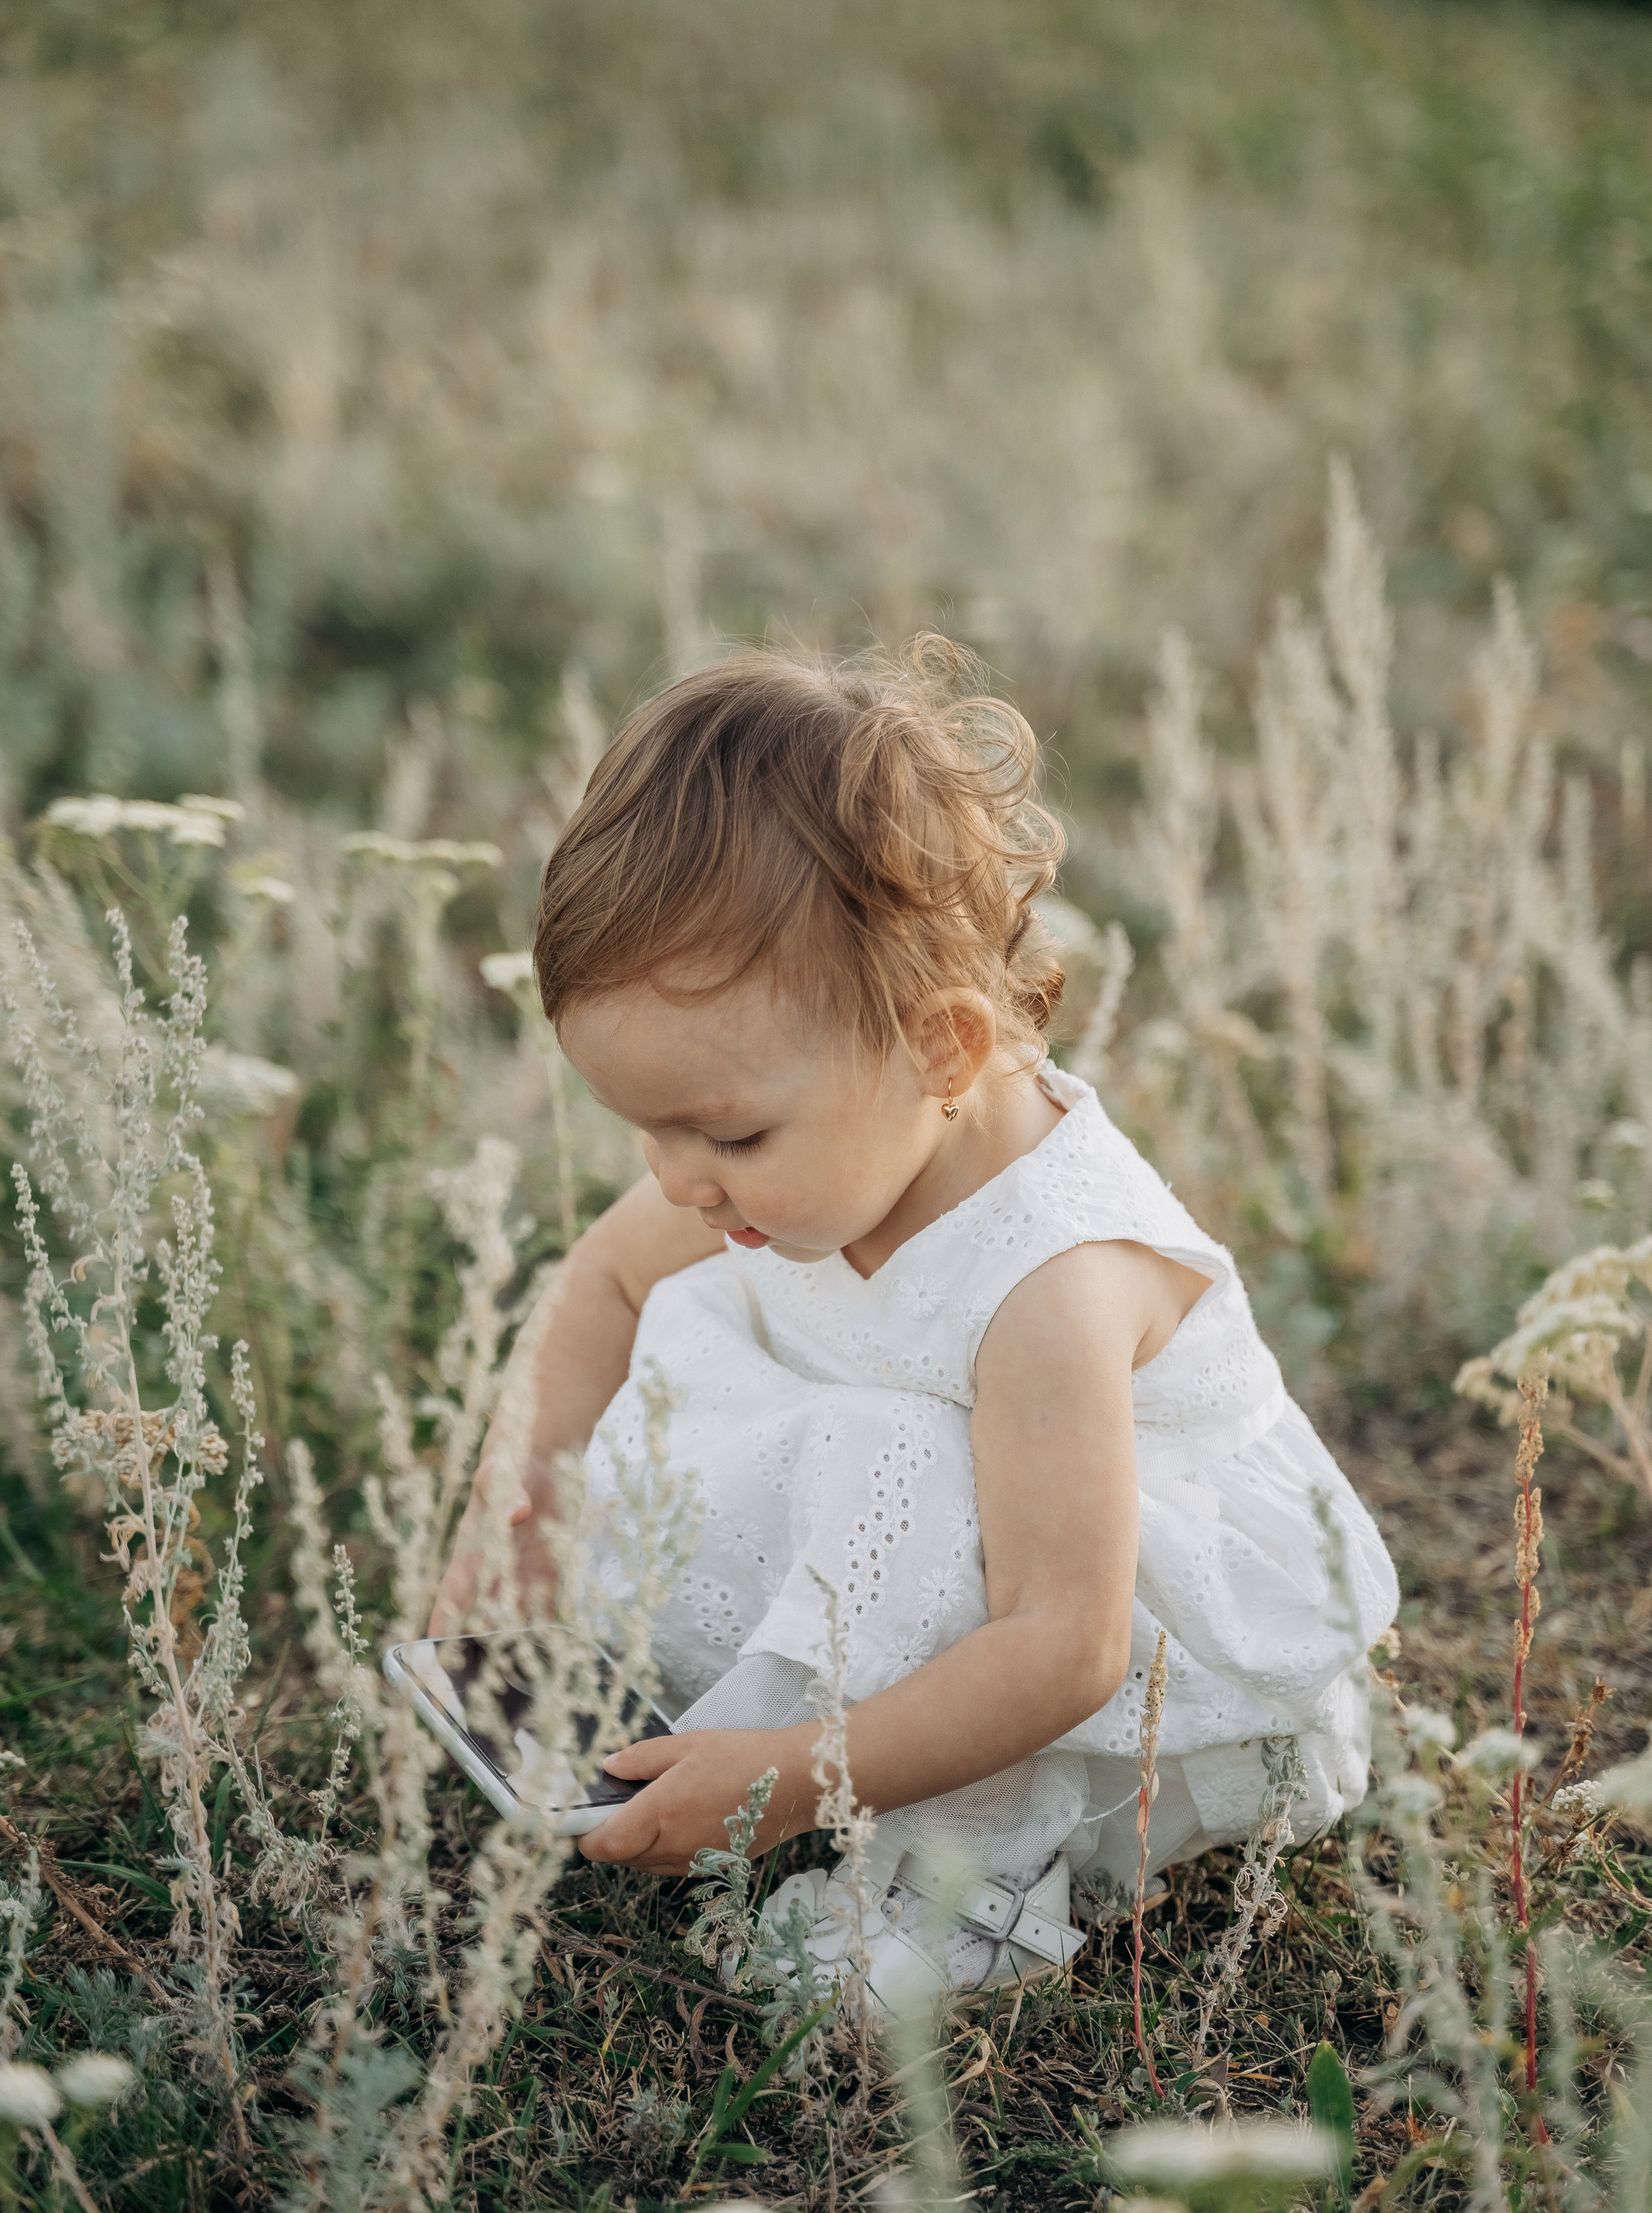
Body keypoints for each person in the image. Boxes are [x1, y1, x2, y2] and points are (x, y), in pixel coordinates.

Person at [430, 638, 1397, 2006]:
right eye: (641, 1128)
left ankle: (963, 1885)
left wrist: (786, 1783)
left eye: (724, 1130)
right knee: (737, 1348)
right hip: (938, 1553)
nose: (676, 1180)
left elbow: (1065, 1648)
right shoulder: (809, 1157)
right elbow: (598, 1283)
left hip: (1114, 1678)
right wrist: (513, 1503)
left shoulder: (1050, 1277)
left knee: (901, 1456)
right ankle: (734, 1702)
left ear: (940, 1049)